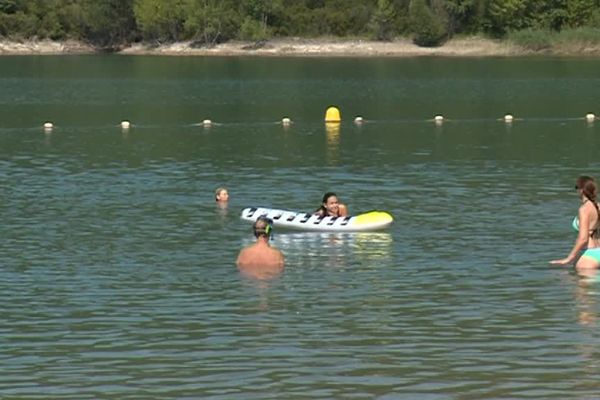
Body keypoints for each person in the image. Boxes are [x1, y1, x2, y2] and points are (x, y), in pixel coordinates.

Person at [551, 176, 600, 271]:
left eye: (576, 187)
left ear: (581, 190)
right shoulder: (598, 206)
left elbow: (583, 238)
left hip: (588, 255)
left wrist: (568, 258)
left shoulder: (584, 209)